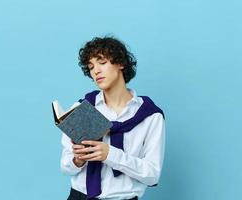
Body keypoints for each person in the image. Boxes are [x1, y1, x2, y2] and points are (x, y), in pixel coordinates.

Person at [60, 36, 166, 200]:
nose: (96, 71)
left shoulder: (150, 116)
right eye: (91, 67)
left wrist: (110, 155)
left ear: (121, 63)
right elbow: (65, 167)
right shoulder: (84, 109)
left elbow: (152, 175)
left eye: (102, 63)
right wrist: (77, 160)